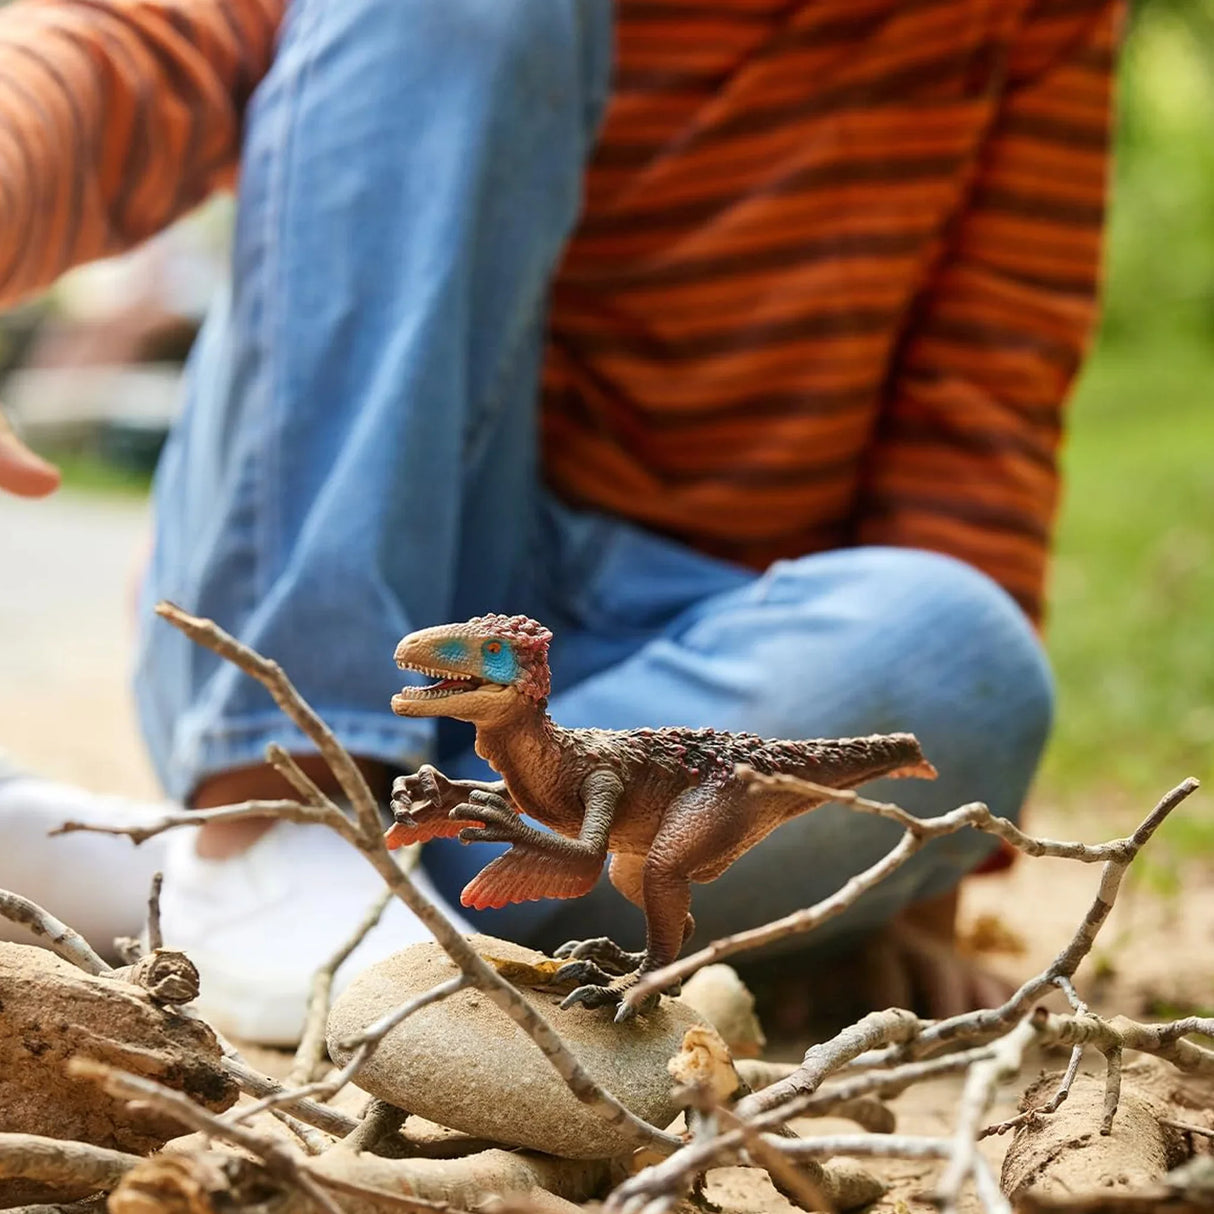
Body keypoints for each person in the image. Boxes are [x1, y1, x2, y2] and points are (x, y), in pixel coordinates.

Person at [0, 0, 1121, 1044]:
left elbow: (980, 398)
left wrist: (911, 885)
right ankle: (279, 811)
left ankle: (201, 882)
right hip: (345, 562)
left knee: (956, 650)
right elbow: (155, 46)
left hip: (682, 660)